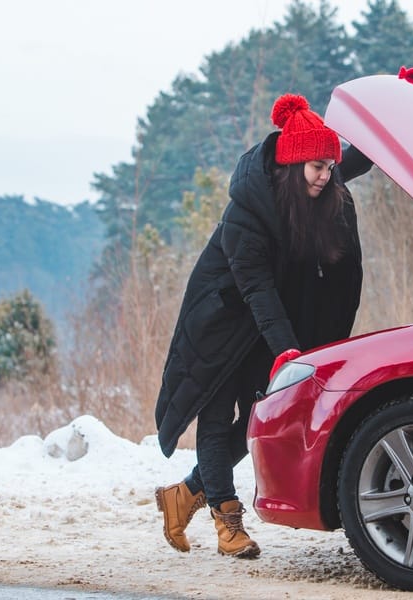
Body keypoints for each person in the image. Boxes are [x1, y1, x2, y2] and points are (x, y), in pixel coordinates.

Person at [153, 92, 372, 558]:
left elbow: (354, 161)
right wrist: (288, 350)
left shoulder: (314, 186)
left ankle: (184, 494)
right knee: (215, 420)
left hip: (264, 323)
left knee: (258, 415)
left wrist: (397, 114)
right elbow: (257, 290)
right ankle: (227, 523)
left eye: (329, 167)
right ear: (294, 167)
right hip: (222, 322)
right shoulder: (246, 212)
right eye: (317, 168)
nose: (326, 176)